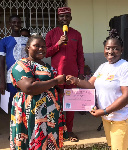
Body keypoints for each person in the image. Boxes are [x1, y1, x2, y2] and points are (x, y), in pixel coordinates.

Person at [66, 29, 128, 150]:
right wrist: (76, 80)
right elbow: (90, 85)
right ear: (104, 49)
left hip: (121, 117)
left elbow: (127, 96)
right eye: (108, 48)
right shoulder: (103, 67)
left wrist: (103, 111)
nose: (111, 52)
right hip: (107, 118)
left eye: (115, 48)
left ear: (121, 50)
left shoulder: (126, 67)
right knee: (111, 146)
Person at [10, 35, 67, 149]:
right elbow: (29, 88)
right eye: (36, 46)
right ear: (28, 48)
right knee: (32, 139)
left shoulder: (47, 66)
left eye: (43, 46)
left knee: (49, 142)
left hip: (50, 113)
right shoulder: (21, 65)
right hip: (31, 112)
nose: (41, 49)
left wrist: (61, 88)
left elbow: (52, 85)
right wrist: (55, 81)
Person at [45, 7, 84, 142]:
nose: (64, 19)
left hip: (72, 76)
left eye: (67, 16)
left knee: (71, 105)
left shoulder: (77, 34)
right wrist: (58, 44)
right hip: (57, 76)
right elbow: (46, 53)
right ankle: (58, 130)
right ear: (58, 18)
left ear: (70, 18)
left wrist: (82, 73)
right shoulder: (51, 34)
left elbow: (80, 55)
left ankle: (70, 130)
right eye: (62, 16)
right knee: (57, 105)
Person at [0, 15, 28, 112]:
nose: (16, 24)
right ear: (9, 24)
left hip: (26, 75)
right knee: (14, 103)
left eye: (18, 22)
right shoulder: (4, 41)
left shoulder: (27, 40)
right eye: (14, 22)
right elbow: (1, 63)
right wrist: (2, 82)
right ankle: (15, 125)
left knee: (26, 102)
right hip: (11, 77)